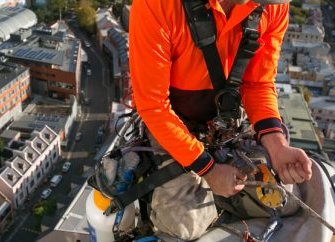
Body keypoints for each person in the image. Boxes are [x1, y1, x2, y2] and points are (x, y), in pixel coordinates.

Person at [129, 0, 312, 198]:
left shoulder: (271, 6)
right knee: (185, 220)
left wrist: (277, 146)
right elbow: (153, 105)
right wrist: (208, 169)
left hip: (226, 117)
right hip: (169, 122)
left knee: (280, 197)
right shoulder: (158, 5)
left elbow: (258, 84)